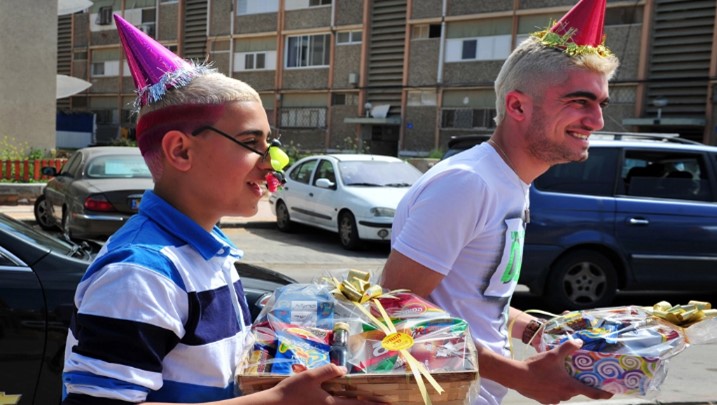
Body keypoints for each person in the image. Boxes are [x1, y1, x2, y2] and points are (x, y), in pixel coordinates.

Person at [61, 15, 384, 405]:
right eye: (253, 143)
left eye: (272, 144)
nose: (272, 163)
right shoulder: (140, 273)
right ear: (181, 151)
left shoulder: (206, 246)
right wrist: (278, 401)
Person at [380, 1, 620, 404]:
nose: (596, 120)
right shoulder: (468, 184)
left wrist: (534, 330)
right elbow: (393, 310)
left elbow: (467, 295)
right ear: (518, 106)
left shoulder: (509, 182)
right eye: (580, 101)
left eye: (601, 104)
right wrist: (521, 376)